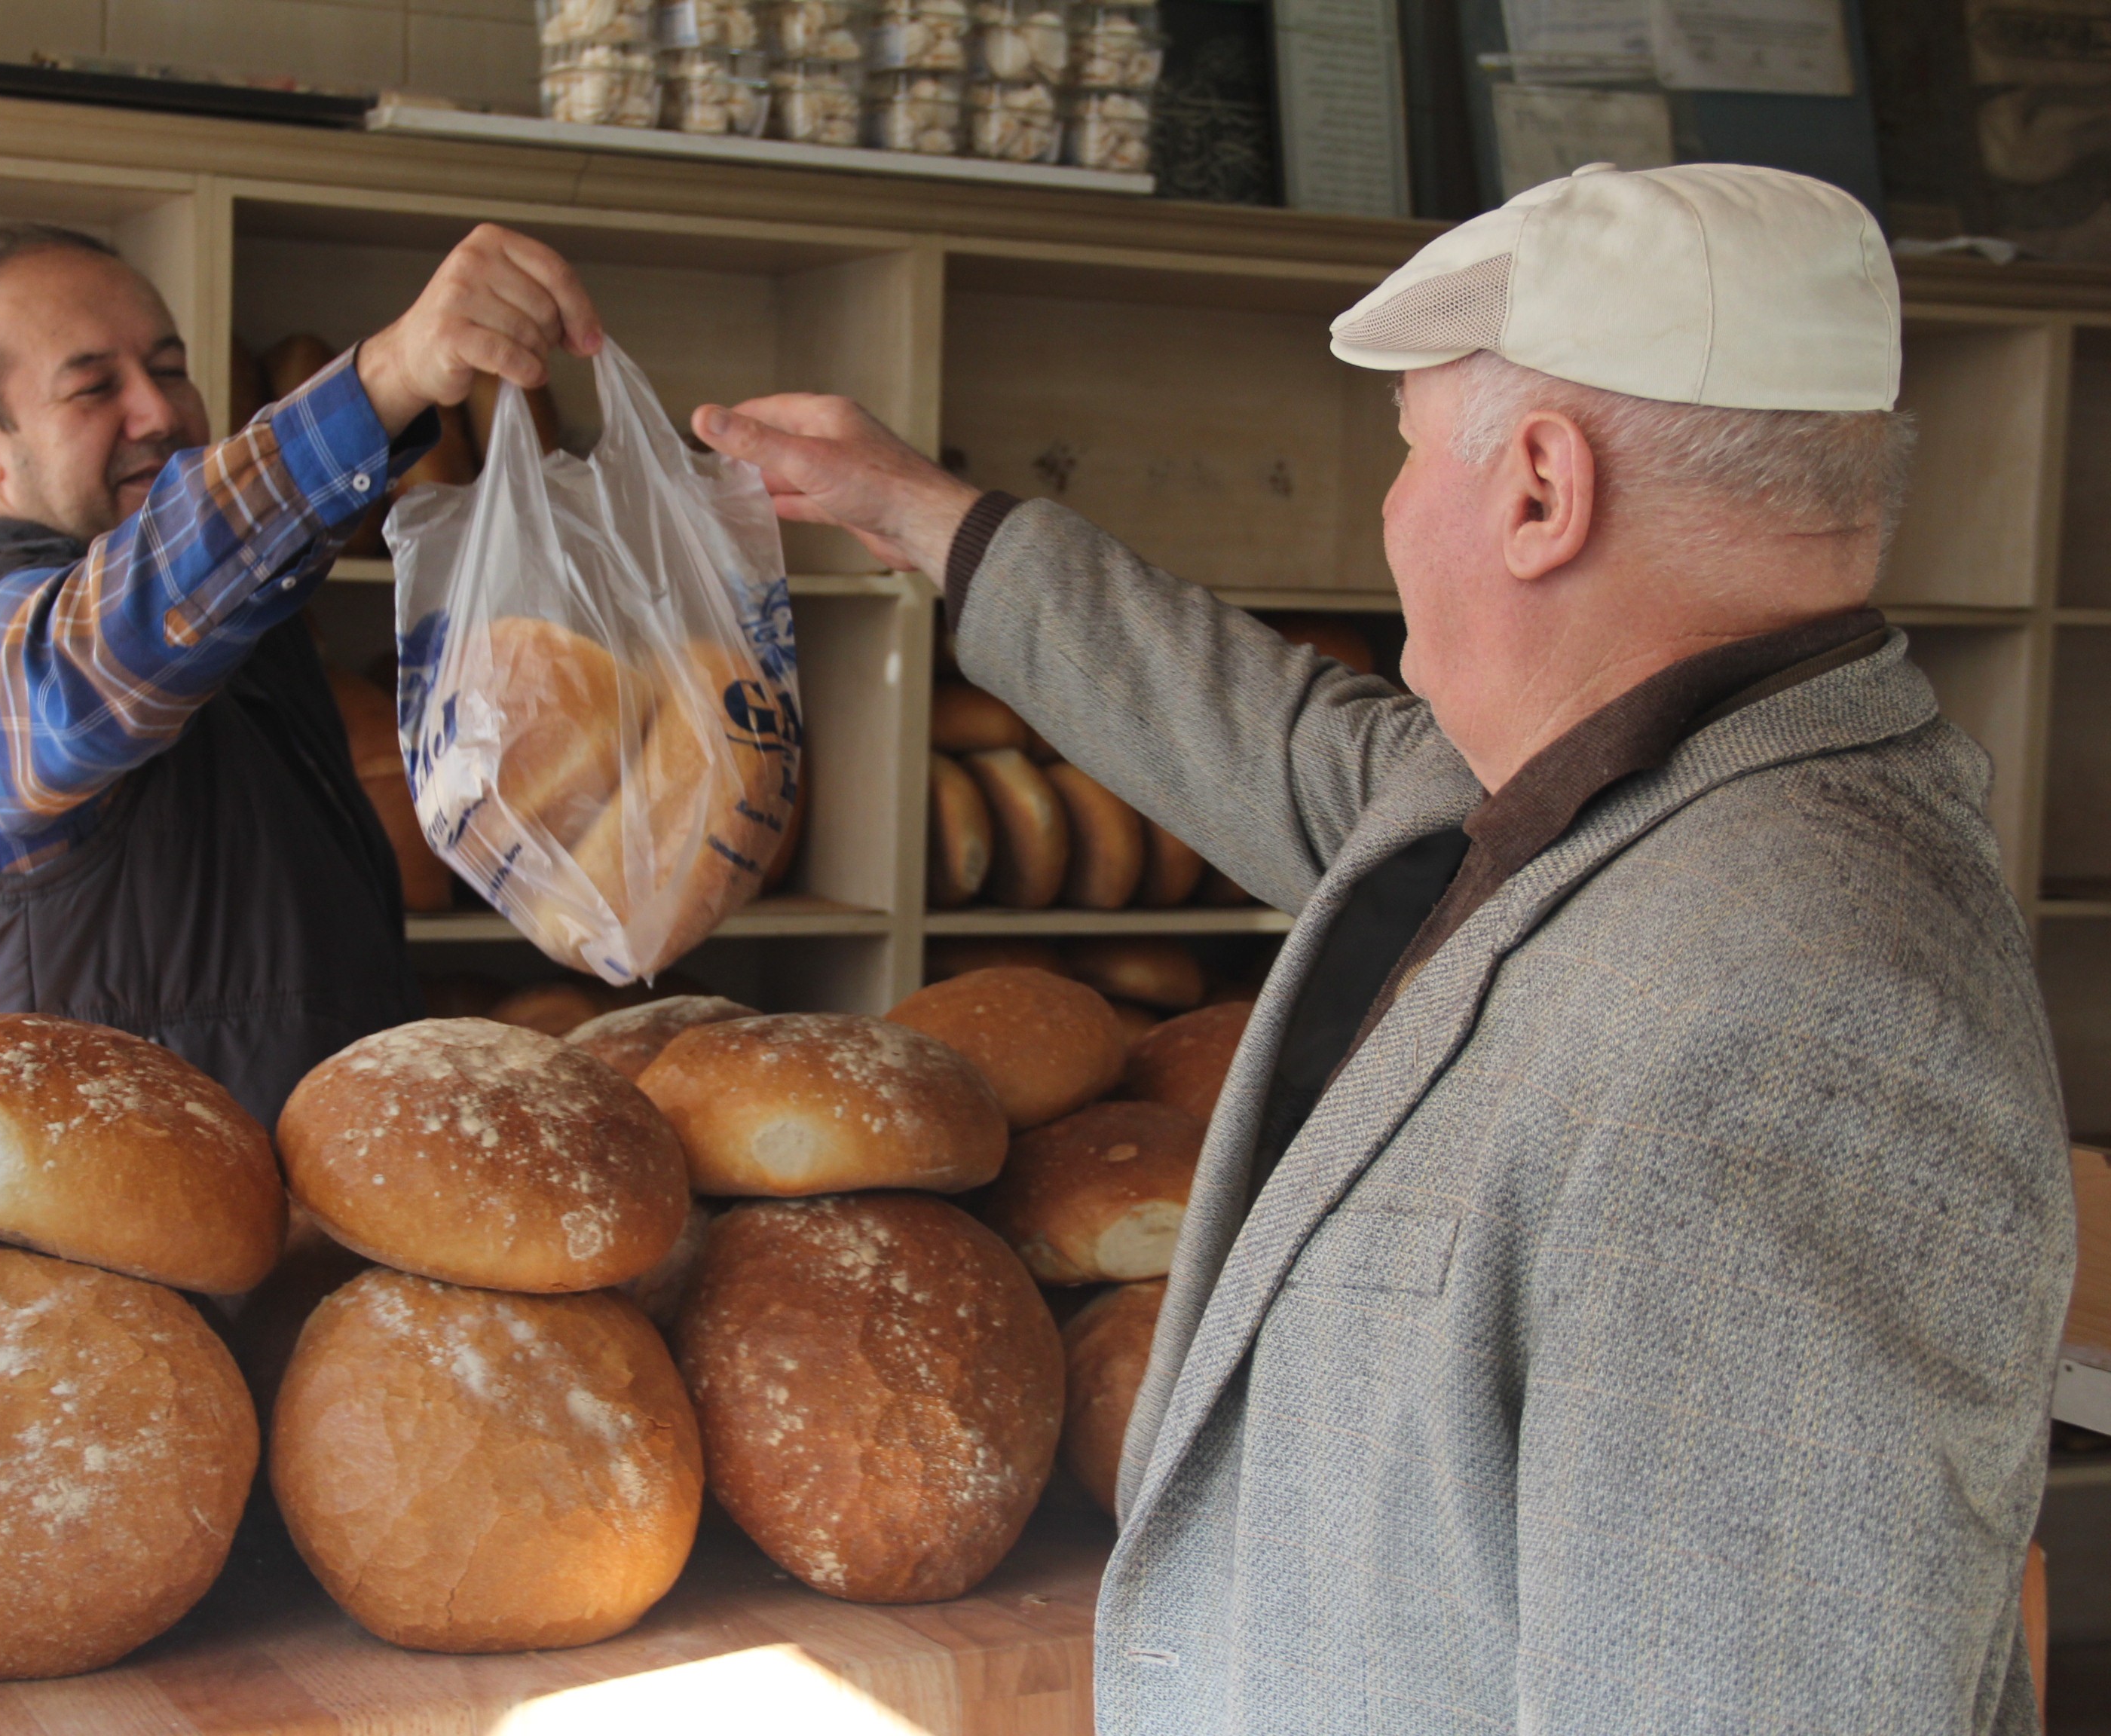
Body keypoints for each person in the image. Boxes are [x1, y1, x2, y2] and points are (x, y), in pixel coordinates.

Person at [693, 164, 2075, 1733]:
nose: (1392, 509)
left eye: (1411, 450)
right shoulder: (1612, 783)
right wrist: (921, 514)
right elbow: (1272, 738)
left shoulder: (1801, 1024)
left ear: (1541, 491)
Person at [0, 221, 601, 1122]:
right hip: (90, 1213)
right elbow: (122, 623)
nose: (158, 413)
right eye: (93, 387)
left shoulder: (249, 635)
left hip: (287, 1195)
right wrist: (387, 380)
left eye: (168, 369)